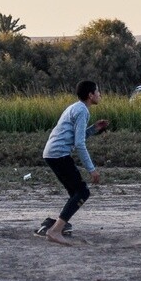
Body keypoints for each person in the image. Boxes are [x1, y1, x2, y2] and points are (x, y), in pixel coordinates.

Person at [36, 80, 109, 246]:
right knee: (82, 192)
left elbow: (77, 137)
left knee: (74, 193)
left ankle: (51, 225)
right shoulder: (82, 111)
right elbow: (79, 144)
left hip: (52, 153)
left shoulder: (76, 107)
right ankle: (55, 231)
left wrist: (94, 129)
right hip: (58, 154)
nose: (99, 95)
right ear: (90, 95)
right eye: (97, 92)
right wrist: (92, 170)